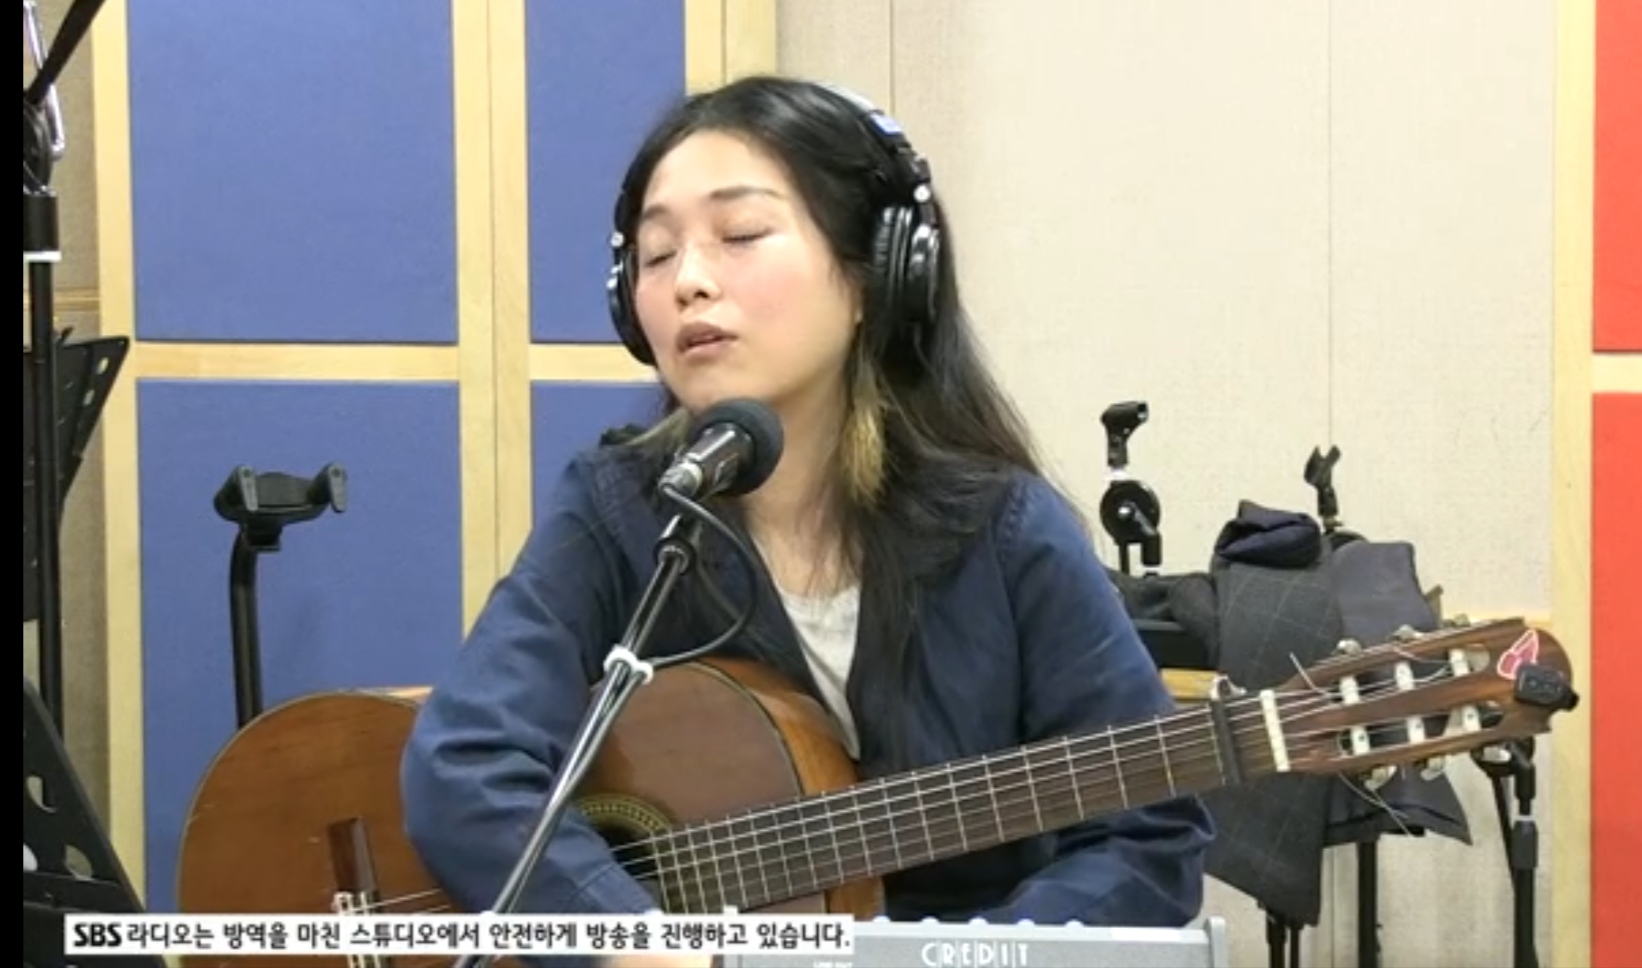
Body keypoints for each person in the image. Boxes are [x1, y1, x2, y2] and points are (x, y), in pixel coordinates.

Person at [400, 75, 1214, 967]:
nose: (689, 282)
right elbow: (466, 766)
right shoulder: (619, 509)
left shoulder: (1006, 531)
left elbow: (1149, 832)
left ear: (877, 276)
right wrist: (626, 940)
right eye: (657, 253)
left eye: (740, 234)